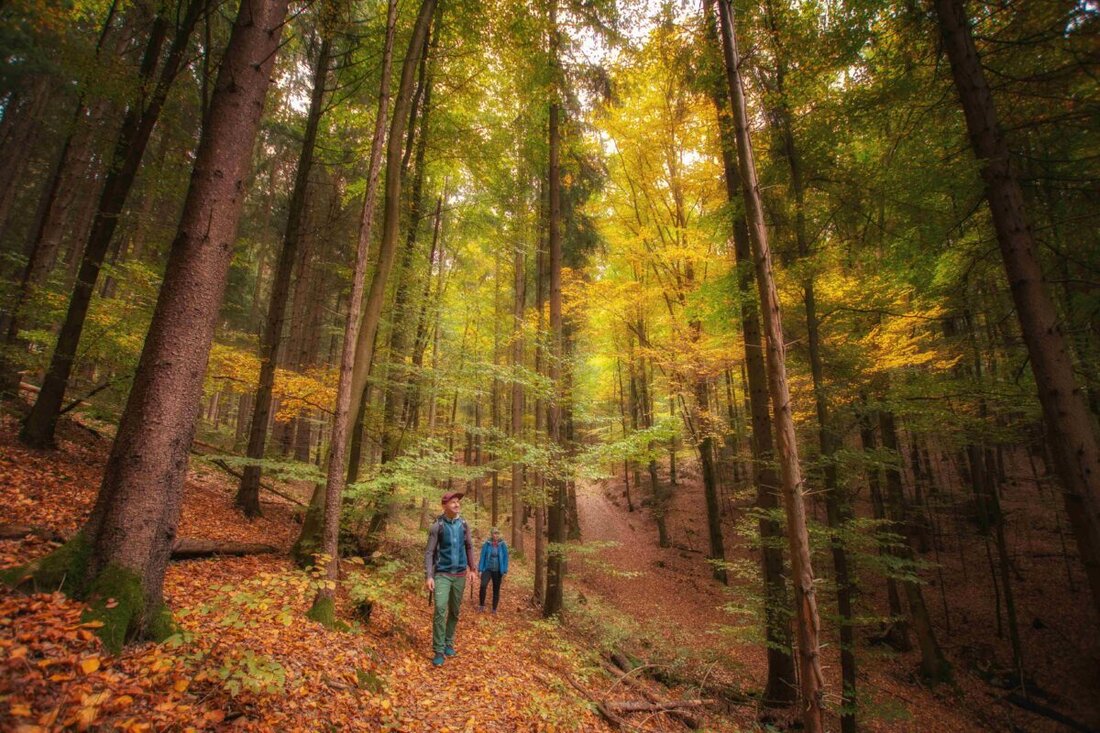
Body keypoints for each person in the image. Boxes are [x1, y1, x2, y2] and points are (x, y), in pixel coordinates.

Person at [424, 491, 477, 667]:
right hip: (442, 574)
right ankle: (438, 649)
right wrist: (429, 576)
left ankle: (448, 642)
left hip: (460, 574)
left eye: (458, 502)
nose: (457, 504)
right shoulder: (437, 526)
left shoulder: (464, 524)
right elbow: (430, 552)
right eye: (453, 502)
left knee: (454, 611)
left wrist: (472, 569)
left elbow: (469, 546)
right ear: (444, 505)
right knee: (440, 608)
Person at [477, 527, 509, 613]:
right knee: (483, 585)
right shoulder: (487, 544)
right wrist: (480, 570)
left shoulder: (503, 545)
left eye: (497, 533)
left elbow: (505, 558)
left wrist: (505, 571)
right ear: (491, 534)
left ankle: (494, 608)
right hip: (487, 569)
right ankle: (481, 605)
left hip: (498, 570)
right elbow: (482, 557)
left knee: (496, 589)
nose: (496, 535)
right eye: (494, 533)